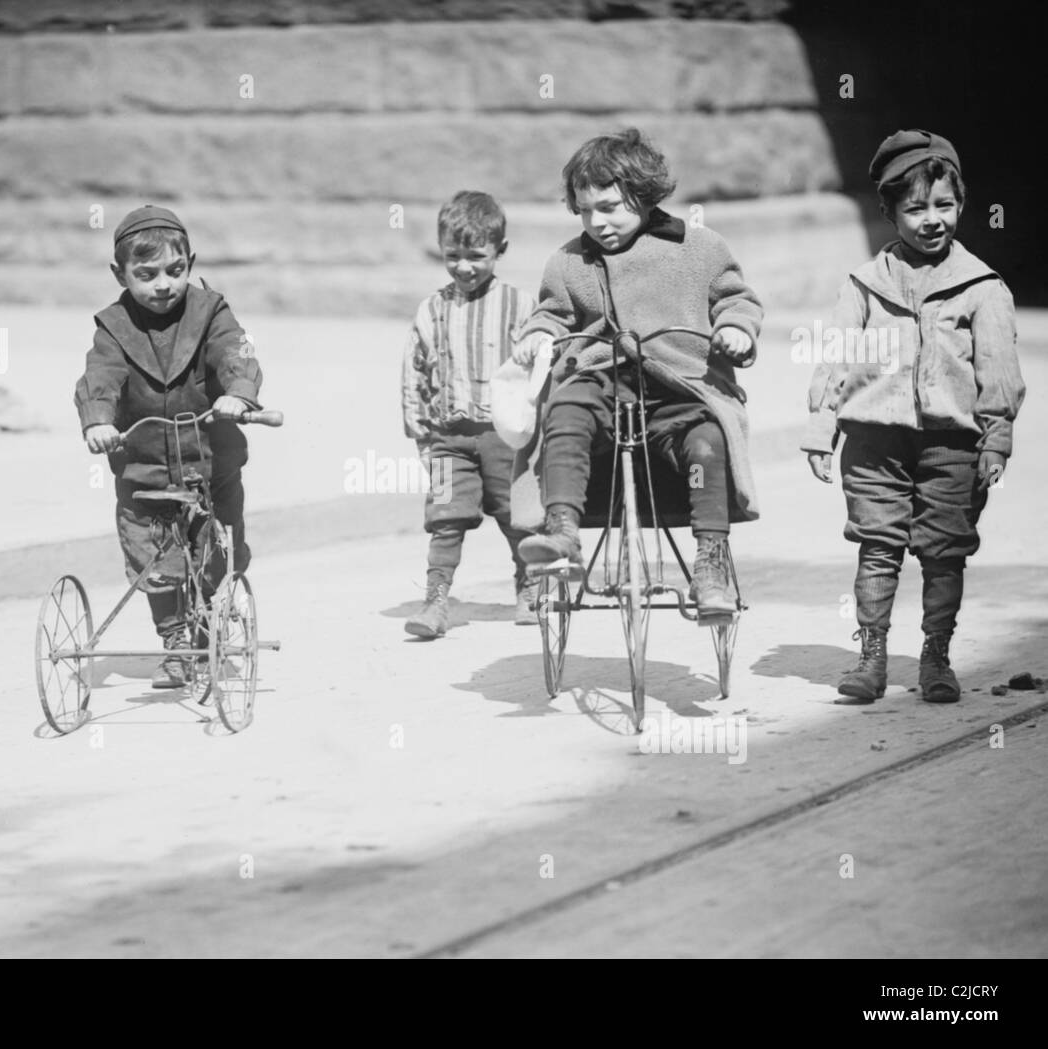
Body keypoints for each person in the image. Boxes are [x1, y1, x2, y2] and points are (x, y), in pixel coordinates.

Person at [801, 130, 1024, 704]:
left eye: (944, 205)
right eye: (916, 208)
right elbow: (836, 358)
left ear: (961, 204)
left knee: (944, 551)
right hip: (873, 443)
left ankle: (936, 657)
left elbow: (998, 371)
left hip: (953, 446)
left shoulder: (982, 288)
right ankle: (871, 655)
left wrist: (995, 439)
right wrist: (821, 429)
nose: (932, 220)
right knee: (877, 545)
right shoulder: (864, 286)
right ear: (889, 212)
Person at [514, 130, 762, 614]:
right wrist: (538, 333)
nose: (597, 222)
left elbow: (736, 299)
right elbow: (553, 313)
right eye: (585, 211)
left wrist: (736, 329)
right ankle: (562, 532)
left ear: (644, 194)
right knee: (564, 411)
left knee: (708, 439)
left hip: (680, 382)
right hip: (602, 377)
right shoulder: (569, 261)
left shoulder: (699, 248)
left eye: (609, 208)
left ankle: (711, 561)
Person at [75, 205, 262, 687]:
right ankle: (176, 640)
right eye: (147, 275)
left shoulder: (210, 310)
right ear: (120, 274)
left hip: (210, 457)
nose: (163, 285)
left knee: (216, 548)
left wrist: (237, 393)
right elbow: (100, 376)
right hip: (146, 465)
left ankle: (206, 620)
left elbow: (235, 350)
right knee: (154, 556)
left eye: (175, 271)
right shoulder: (114, 327)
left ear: (190, 265)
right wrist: (98, 421)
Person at [400, 190, 537, 638]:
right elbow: (414, 374)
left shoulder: (521, 306)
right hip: (448, 439)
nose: (463, 267)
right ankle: (436, 600)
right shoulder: (431, 310)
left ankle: (530, 587)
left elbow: (540, 368)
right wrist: (422, 436)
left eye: (476, 256)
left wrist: (536, 430)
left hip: (505, 437)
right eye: (452, 255)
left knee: (516, 516)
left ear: (500, 250)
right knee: (444, 519)